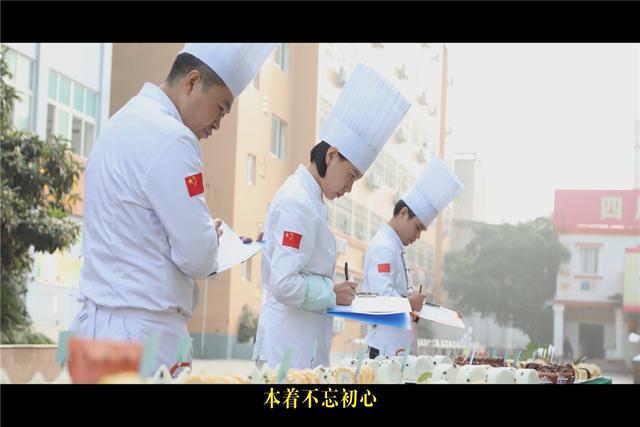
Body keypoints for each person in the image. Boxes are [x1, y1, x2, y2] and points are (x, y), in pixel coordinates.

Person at [70, 43, 275, 373]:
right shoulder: (175, 139)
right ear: (192, 82)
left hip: (96, 331)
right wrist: (208, 237)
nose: (218, 124)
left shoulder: (119, 123)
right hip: (144, 338)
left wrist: (201, 234)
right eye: (220, 109)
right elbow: (197, 256)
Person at [253, 64, 411, 369]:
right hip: (288, 351)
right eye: (350, 176)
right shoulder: (298, 202)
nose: (349, 188)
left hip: (301, 346)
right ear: (331, 155)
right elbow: (284, 284)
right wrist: (330, 292)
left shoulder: (310, 199)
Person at [363, 156, 463, 358]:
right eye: (417, 227)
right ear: (403, 212)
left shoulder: (394, 245)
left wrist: (417, 308)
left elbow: (398, 297)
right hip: (385, 349)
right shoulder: (383, 246)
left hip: (397, 347)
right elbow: (381, 298)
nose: (417, 236)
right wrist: (410, 304)